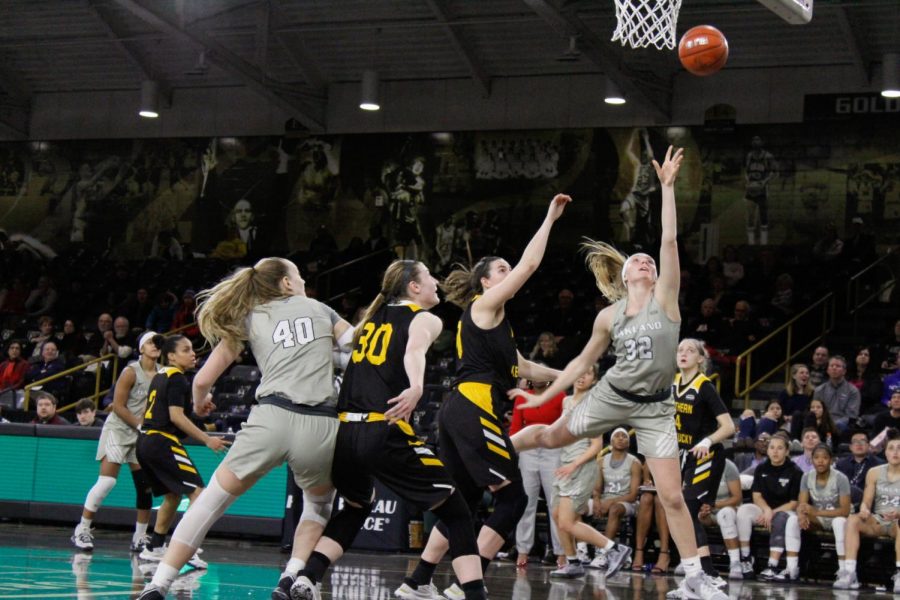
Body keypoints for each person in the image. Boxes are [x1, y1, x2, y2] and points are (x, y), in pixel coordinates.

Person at [511, 148, 726, 600]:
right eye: (638, 262)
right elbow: (581, 363)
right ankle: (493, 447)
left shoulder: (666, 299)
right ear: (625, 276)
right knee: (549, 436)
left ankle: (694, 579)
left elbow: (668, 242)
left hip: (656, 409)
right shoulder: (609, 317)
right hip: (613, 394)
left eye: (649, 262)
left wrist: (667, 188)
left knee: (671, 495)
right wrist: (540, 394)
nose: (646, 263)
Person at [138, 258, 351, 600]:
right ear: (285, 282)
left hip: (272, 417)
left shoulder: (249, 317)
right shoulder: (320, 309)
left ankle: (158, 583)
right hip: (320, 423)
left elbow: (204, 379)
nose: (302, 282)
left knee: (210, 502)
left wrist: (200, 401)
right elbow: (358, 347)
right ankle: (291, 577)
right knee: (317, 506)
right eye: (298, 275)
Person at [398, 194, 570, 600]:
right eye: (501, 270)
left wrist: (571, 376)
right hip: (474, 410)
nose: (509, 273)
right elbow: (530, 265)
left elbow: (527, 369)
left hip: (458, 412)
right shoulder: (483, 305)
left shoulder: (495, 325)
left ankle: (418, 581)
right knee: (514, 499)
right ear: (487, 282)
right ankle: (466, 586)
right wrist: (548, 219)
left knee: (463, 501)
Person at [288, 260, 487, 600]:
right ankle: (473, 593)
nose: (436, 283)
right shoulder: (425, 318)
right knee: (456, 510)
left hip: (345, 435)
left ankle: (308, 577)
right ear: (413, 287)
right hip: (382, 429)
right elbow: (414, 351)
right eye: (429, 277)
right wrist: (417, 386)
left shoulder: (368, 322)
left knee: (355, 507)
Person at [134, 335, 228, 572]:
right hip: (161, 441)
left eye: (193, 349)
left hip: (145, 442)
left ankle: (155, 547)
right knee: (199, 493)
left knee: (172, 496)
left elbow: (175, 414)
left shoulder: (161, 375)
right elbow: (176, 417)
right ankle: (188, 551)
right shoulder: (178, 379)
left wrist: (197, 411)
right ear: (172, 356)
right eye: (186, 350)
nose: (192, 353)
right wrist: (207, 439)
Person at [72, 331, 162, 552]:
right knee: (107, 482)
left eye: (158, 343)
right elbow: (118, 406)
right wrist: (139, 424)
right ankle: (82, 530)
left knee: (145, 487)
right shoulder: (131, 371)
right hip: (119, 429)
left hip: (141, 434)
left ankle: (139, 537)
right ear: (141, 348)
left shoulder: (163, 374)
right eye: (150, 342)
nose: (155, 346)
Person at [671, 338, 735, 583]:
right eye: (680, 349)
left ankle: (708, 574)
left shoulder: (704, 386)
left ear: (700, 359)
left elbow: (729, 426)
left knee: (687, 510)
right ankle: (700, 574)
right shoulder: (673, 383)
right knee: (683, 512)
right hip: (685, 455)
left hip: (706, 455)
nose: (683, 353)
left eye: (690, 350)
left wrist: (707, 441)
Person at [547, 365, 604, 579]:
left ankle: (611, 549)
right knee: (555, 514)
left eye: (588, 373)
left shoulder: (593, 405)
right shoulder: (566, 401)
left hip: (581, 465)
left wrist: (574, 464)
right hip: (564, 463)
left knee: (566, 519)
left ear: (594, 380)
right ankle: (572, 561)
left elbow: (596, 445)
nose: (582, 376)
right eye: (580, 372)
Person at [508, 378, 565, 569]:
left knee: (554, 502)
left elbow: (564, 424)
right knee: (527, 501)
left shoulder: (559, 396)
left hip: (552, 449)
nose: (537, 378)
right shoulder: (522, 397)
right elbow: (516, 426)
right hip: (528, 449)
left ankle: (561, 553)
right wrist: (510, 452)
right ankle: (523, 550)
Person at [834, 433, 900, 591]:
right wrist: (863, 509)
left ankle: (899, 573)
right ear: (885, 452)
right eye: (891, 448)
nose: (895, 452)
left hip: (897, 523)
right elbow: (867, 500)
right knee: (852, 520)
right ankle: (850, 573)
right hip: (878, 519)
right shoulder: (875, 472)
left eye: (899, 449)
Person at [734, 434, 802, 582]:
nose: (775, 451)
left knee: (780, 518)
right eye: (772, 448)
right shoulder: (761, 468)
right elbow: (756, 495)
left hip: (787, 511)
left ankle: (772, 565)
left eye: (779, 448)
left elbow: (794, 503)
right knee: (744, 511)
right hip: (765, 509)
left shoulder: (795, 471)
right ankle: (745, 558)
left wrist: (773, 512)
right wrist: (766, 510)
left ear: (787, 451)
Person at [588, 427, 641, 572]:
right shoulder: (601, 462)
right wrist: (597, 500)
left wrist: (609, 502)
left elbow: (633, 495)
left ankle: (603, 552)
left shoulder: (634, 463)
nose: (621, 438)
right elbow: (597, 489)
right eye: (617, 436)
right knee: (577, 506)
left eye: (624, 437)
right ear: (611, 441)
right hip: (605, 500)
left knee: (615, 509)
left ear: (628, 443)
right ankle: (581, 551)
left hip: (627, 503)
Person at [796, 444, 851, 577]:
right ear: (812, 460)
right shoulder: (806, 477)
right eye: (816, 457)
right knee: (794, 520)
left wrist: (816, 512)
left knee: (838, 522)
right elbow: (802, 504)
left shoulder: (841, 478)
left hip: (840, 518)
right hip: (819, 518)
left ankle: (843, 570)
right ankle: (792, 568)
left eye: (825, 458)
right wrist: (800, 514)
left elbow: (845, 511)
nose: (820, 461)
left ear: (831, 460)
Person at [696, 458, 742, 580]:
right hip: (705, 511)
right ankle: (690, 560)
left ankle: (735, 562)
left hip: (726, 509)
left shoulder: (728, 466)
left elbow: (737, 498)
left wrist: (713, 505)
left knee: (725, 514)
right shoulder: (695, 465)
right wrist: (701, 508)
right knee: (689, 514)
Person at [814, 355, 861, 434]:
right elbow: (815, 411)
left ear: (844, 371)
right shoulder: (819, 390)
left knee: (841, 425)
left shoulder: (853, 391)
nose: (834, 368)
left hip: (843, 425)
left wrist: (832, 424)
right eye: (832, 366)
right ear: (828, 370)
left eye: (838, 366)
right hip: (823, 423)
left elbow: (851, 415)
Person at [743, 135, 776, 245]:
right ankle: (751, 242)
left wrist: (764, 182)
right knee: (750, 216)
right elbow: (746, 171)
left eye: (758, 139)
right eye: (753, 139)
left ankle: (764, 242)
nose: (755, 141)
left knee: (763, 216)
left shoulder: (768, 156)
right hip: (751, 188)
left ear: (762, 141)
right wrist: (747, 181)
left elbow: (773, 172)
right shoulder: (749, 155)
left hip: (762, 189)